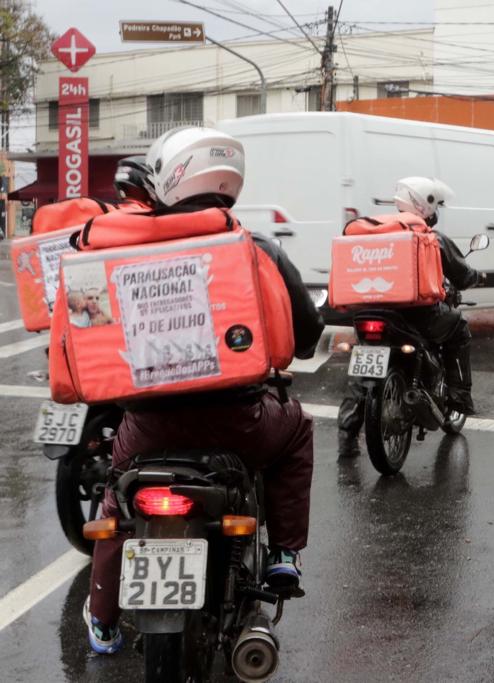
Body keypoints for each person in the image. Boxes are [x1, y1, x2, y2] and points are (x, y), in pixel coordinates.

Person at [83, 126, 324, 655]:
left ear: (168, 176)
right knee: (299, 429)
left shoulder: (115, 244)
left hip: (146, 427)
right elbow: (306, 336)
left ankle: (102, 621)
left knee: (116, 502)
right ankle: (284, 552)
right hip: (241, 427)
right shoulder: (255, 246)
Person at [338, 177, 482, 446]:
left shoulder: (377, 232)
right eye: (435, 204)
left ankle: (346, 434)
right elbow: (462, 275)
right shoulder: (431, 237)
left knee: (363, 367)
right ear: (425, 205)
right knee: (459, 329)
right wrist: (476, 277)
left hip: (370, 312)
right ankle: (459, 397)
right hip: (417, 317)